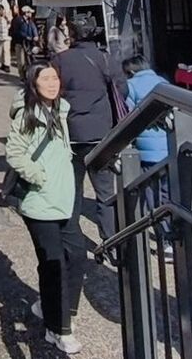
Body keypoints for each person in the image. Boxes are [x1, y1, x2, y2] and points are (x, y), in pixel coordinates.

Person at [6, 63, 82, 354]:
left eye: (55, 78)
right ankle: (59, 329)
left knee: (77, 256)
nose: (52, 83)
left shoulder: (61, 109)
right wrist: (39, 177)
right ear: (33, 83)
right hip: (39, 202)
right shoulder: (27, 114)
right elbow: (14, 153)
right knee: (54, 265)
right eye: (45, 79)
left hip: (64, 199)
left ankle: (56, 309)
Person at [55, 21, 126, 253]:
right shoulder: (106, 59)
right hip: (101, 132)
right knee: (105, 190)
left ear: (73, 35)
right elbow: (122, 90)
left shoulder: (60, 60)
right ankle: (111, 242)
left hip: (70, 132)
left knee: (72, 189)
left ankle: (71, 240)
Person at [123, 54, 171, 253]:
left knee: (151, 194)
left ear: (130, 71)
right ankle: (172, 233)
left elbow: (128, 115)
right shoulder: (162, 82)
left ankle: (164, 238)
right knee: (167, 192)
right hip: (167, 146)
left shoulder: (131, 86)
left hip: (146, 148)